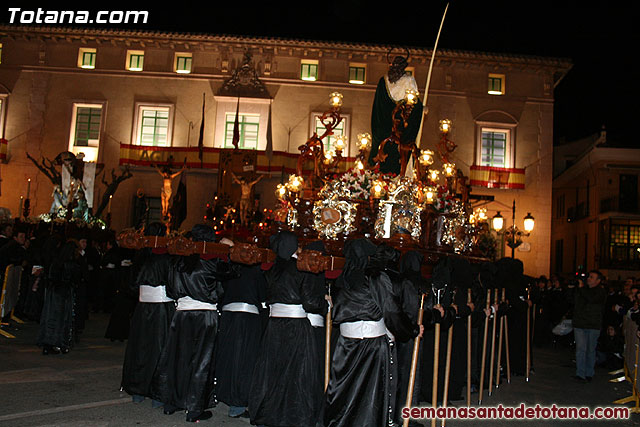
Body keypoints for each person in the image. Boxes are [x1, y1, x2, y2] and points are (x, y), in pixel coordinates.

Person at [324, 239, 422, 427]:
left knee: (346, 392)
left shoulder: (342, 279)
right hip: (371, 347)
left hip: (345, 344)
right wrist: (412, 329)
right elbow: (392, 311)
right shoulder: (375, 277)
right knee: (370, 396)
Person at [152, 224, 232, 423]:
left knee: (178, 358)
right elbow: (230, 276)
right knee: (201, 361)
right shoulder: (211, 261)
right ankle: (194, 408)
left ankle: (172, 402)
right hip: (204, 314)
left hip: (181, 314)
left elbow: (170, 290)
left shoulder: (176, 261)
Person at [249, 231, 326, 427]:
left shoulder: (271, 269)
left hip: (274, 325)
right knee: (297, 372)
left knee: (274, 370)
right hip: (296, 326)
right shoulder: (301, 268)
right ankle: (294, 416)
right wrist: (324, 304)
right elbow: (310, 302)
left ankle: (270, 413)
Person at [121, 222, 174, 408]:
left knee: (140, 347)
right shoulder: (168, 257)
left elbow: (131, 285)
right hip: (162, 309)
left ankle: (137, 390)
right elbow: (173, 284)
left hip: (143, 308)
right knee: (160, 349)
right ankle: (157, 394)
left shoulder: (140, 256)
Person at [214, 238, 267, 419]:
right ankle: (238, 402)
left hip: (229, 315)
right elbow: (263, 294)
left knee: (228, 355)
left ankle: (223, 393)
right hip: (248, 317)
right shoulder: (254, 270)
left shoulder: (229, 267)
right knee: (245, 359)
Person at [37, 239, 81, 355]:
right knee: (62, 319)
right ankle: (59, 343)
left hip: (53, 292)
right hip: (64, 293)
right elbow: (77, 279)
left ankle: (48, 344)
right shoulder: (71, 264)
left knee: (51, 318)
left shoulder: (56, 261)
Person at [570, 270, 606, 382]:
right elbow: (572, 301)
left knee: (590, 350)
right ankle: (580, 373)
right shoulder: (582, 290)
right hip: (580, 323)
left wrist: (581, 289)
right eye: (588, 277)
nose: (589, 279)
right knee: (581, 349)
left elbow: (591, 299)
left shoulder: (600, 292)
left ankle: (589, 373)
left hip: (593, 324)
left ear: (598, 280)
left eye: (592, 277)